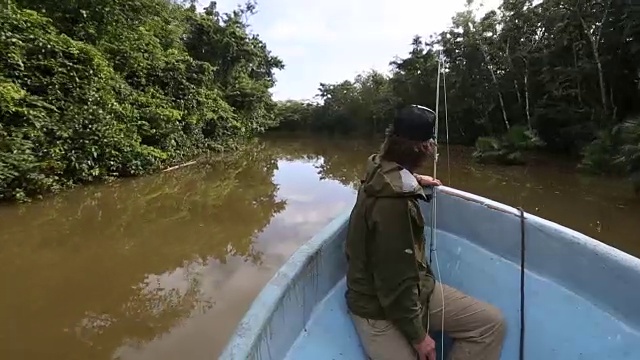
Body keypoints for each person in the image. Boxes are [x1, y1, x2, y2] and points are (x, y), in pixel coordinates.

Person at [344, 105, 506, 360]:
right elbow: (395, 282)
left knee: (490, 323)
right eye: (430, 142)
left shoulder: (375, 165)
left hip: (415, 290)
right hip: (377, 306)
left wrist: (413, 178)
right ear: (423, 148)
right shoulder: (394, 204)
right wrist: (419, 337)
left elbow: (388, 168)